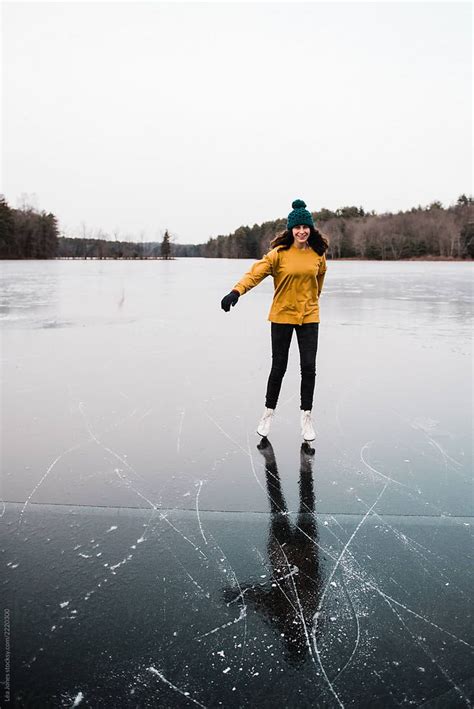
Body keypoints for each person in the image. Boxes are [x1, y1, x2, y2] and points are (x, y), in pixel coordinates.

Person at [221, 199, 328, 441]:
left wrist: (311, 301)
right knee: (278, 367)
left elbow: (319, 281)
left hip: (309, 316)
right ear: (291, 230)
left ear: (311, 229)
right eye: (297, 227)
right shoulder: (278, 254)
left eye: (305, 227)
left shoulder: (318, 255)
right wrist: (236, 292)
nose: (302, 231)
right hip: (282, 315)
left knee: (309, 368)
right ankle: (268, 413)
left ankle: (306, 417)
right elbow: (255, 274)